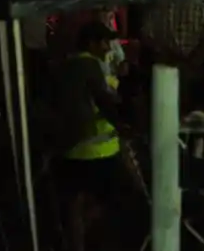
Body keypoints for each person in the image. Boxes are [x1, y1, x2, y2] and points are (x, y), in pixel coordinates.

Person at [53, 21, 136, 251]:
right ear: (91, 43)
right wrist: (122, 124)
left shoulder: (63, 66)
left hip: (69, 149)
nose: (108, 47)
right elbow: (103, 100)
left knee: (74, 206)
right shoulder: (89, 64)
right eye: (104, 42)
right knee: (115, 201)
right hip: (97, 152)